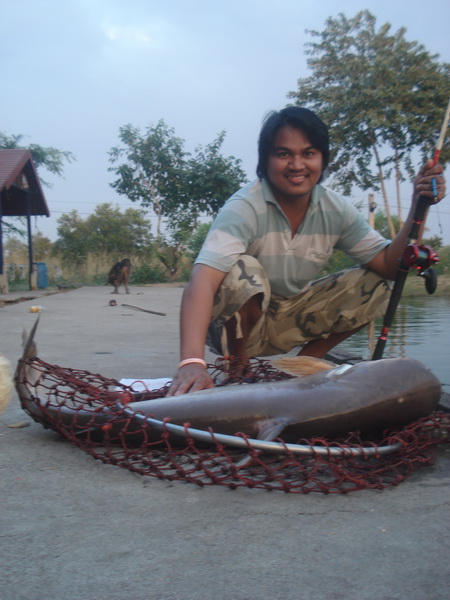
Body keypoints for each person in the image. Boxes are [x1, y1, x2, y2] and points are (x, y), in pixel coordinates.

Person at [167, 107, 446, 396]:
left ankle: (303, 365)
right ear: (266, 159)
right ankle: (239, 367)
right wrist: (191, 362)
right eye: (284, 154)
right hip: (232, 329)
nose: (297, 164)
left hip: (291, 316)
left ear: (323, 160)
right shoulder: (243, 208)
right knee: (242, 270)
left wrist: (418, 203)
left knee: (376, 284)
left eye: (309, 153)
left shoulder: (337, 209)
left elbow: (390, 265)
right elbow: (201, 281)